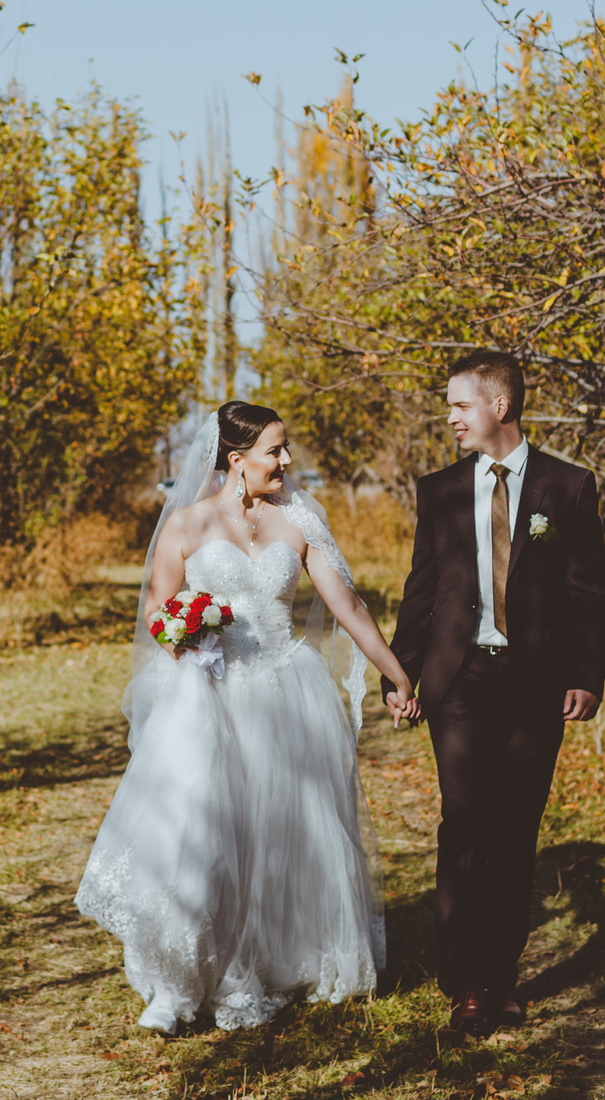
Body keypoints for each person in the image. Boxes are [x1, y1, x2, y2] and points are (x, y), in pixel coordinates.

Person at [75, 400, 422, 1032]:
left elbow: (347, 605)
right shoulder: (186, 524)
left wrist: (395, 672)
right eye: (274, 450)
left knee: (286, 831)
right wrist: (182, 636)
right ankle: (179, 984)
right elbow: (157, 611)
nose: (286, 460)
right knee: (202, 833)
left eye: (284, 448)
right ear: (237, 460)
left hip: (288, 690)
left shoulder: (300, 519)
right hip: (209, 693)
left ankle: (274, 957)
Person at [390, 349, 605, 1036]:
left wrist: (587, 675)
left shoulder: (568, 486)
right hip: (459, 677)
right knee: (464, 820)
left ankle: (500, 978)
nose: (451, 418)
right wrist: (402, 672)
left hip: (535, 681)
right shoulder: (440, 490)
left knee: (516, 828)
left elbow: (587, 590)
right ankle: (464, 982)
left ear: (500, 406)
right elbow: (422, 589)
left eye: (461, 405)